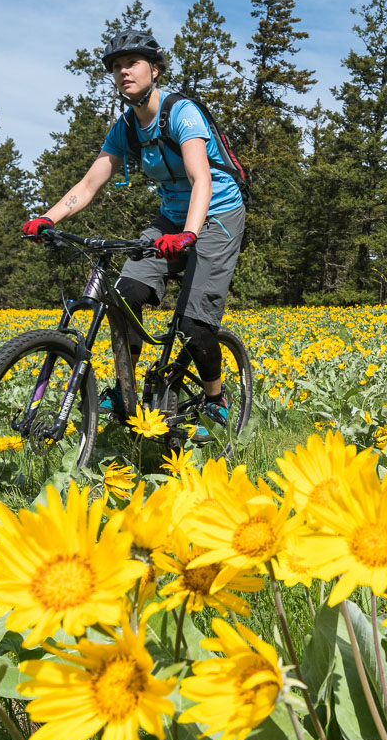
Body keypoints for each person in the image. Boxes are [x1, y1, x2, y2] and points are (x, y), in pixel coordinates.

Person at [21, 30, 246, 440]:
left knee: (196, 326)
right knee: (125, 296)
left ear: (155, 69)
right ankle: (126, 394)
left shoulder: (182, 113)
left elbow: (202, 180)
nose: (122, 71)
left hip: (216, 215)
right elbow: (89, 185)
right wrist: (47, 219)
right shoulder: (125, 127)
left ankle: (215, 397)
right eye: (115, 67)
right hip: (171, 218)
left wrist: (189, 234)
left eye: (132, 63)